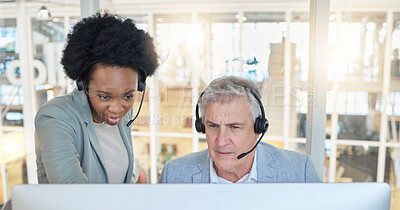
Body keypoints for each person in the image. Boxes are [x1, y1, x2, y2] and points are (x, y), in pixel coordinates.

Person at [35, 11, 158, 183]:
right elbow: (72, 192)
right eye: (105, 97)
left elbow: (119, 178)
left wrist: (133, 191)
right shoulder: (55, 117)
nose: (117, 108)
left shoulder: (121, 117)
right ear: (83, 84)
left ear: (140, 86)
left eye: (128, 96)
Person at [159, 76, 320, 183]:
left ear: (259, 128)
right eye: (213, 126)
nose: (221, 142)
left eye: (234, 127)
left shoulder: (300, 172)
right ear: (201, 126)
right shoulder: (173, 175)